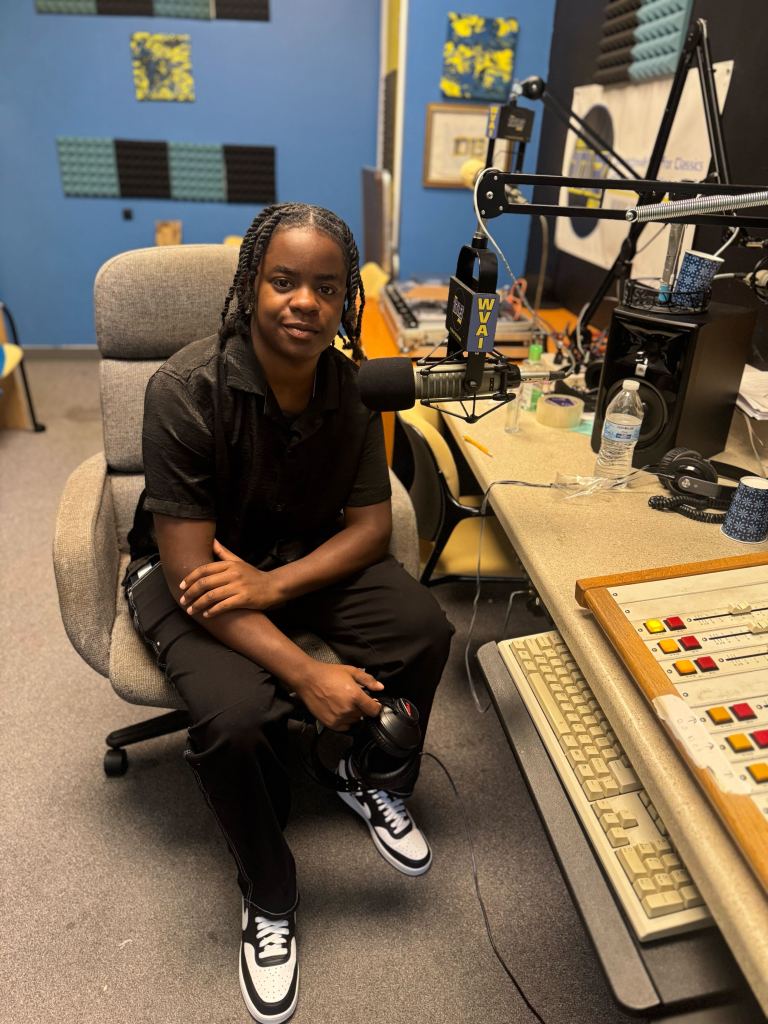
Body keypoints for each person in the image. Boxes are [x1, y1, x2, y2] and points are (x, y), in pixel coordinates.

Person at [122, 202, 454, 1024]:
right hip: (187, 570)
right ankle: (269, 896)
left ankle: (363, 771)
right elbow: (195, 574)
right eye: (284, 281)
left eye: (327, 287)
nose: (305, 301)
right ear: (250, 287)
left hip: (283, 561)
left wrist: (276, 586)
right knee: (237, 717)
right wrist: (307, 674)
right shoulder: (185, 390)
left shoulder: (349, 390)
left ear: (346, 304)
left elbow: (372, 529)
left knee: (424, 629)